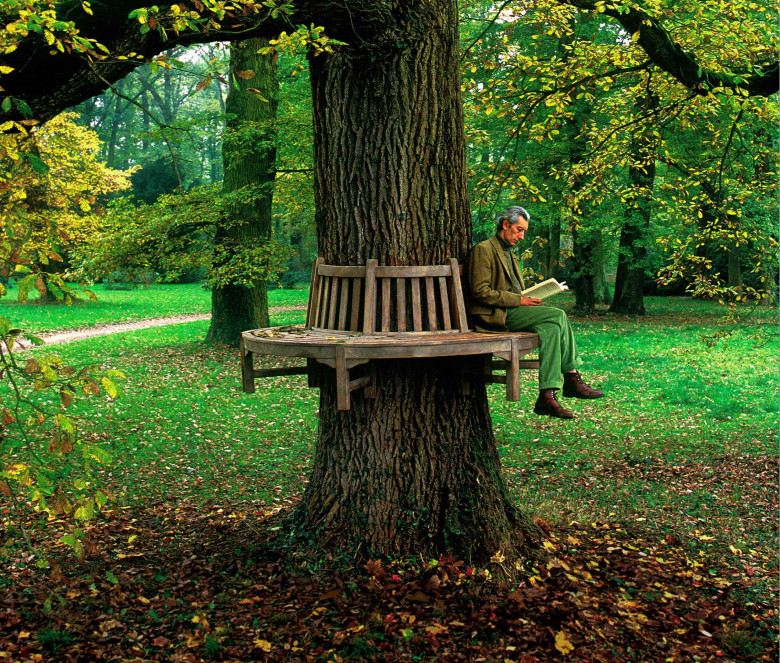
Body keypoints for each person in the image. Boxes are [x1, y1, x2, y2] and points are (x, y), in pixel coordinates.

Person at [467, 206, 603, 419]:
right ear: (505, 225)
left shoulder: (509, 253)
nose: (521, 236)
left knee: (550, 328)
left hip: (512, 309)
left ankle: (546, 396)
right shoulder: (484, 250)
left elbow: (513, 288)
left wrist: (532, 295)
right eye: (518, 230)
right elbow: (480, 292)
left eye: (524, 232)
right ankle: (572, 378)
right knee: (558, 315)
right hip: (494, 315)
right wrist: (519, 300)